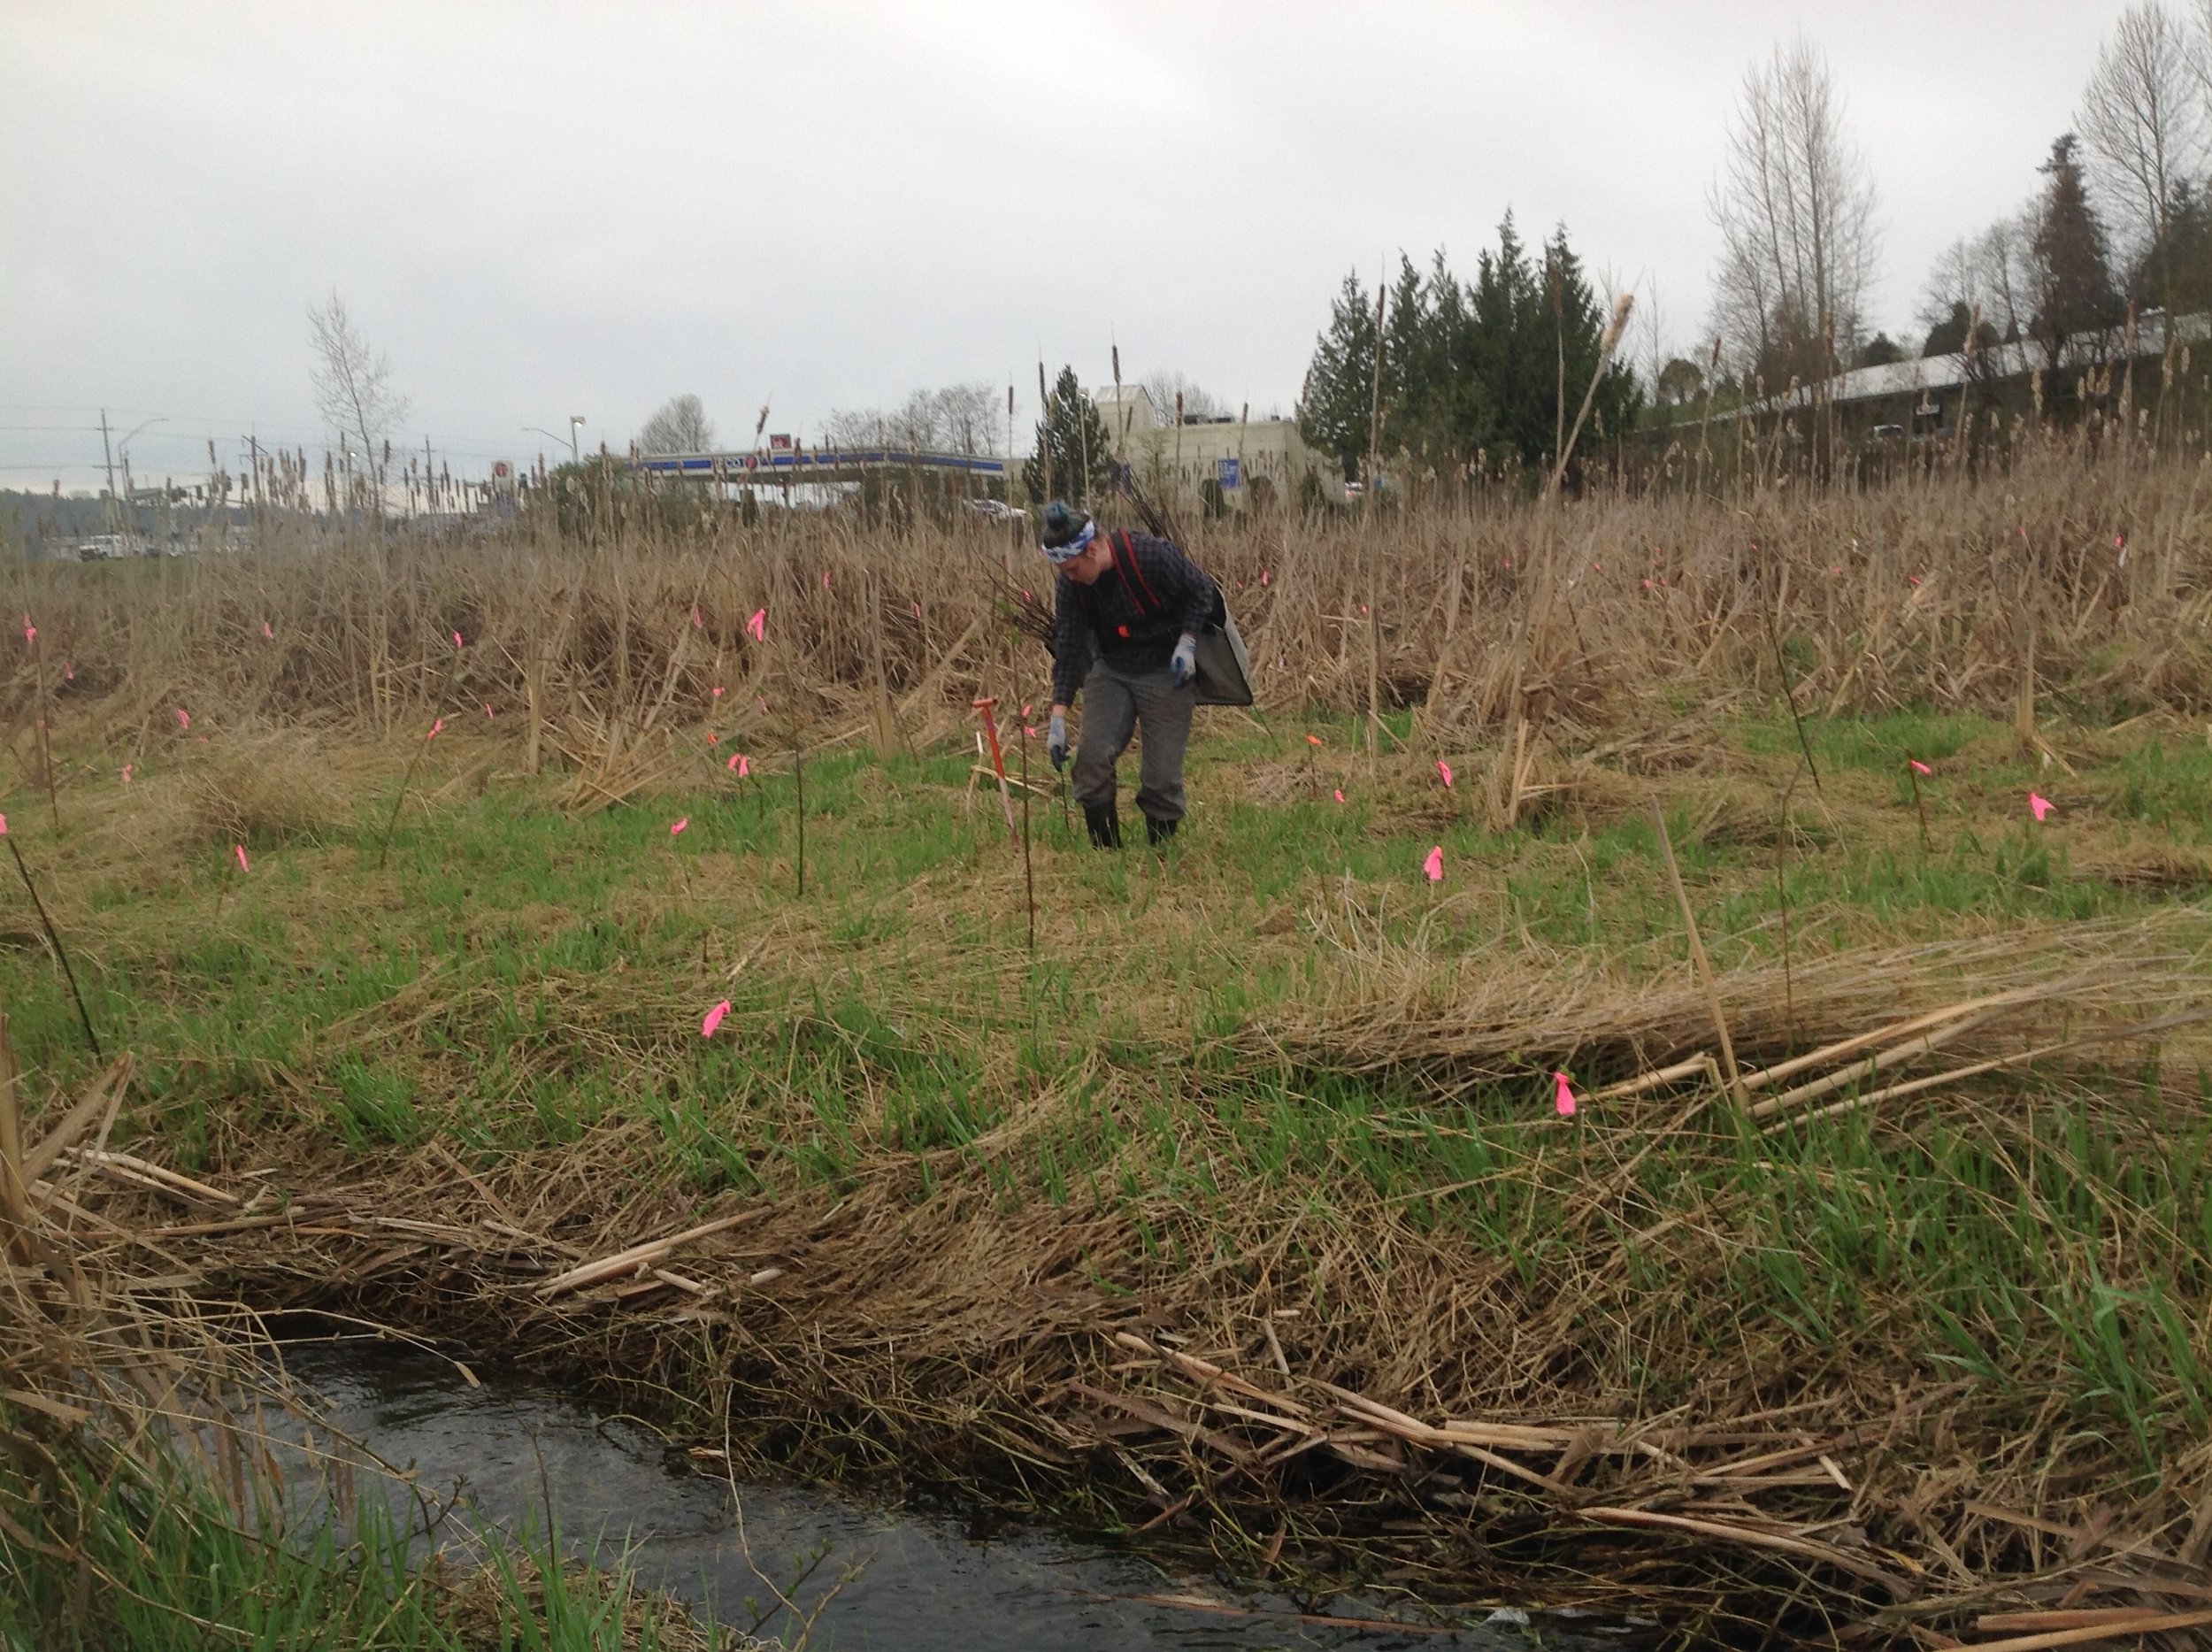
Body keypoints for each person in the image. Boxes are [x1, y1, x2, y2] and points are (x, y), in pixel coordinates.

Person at [1039, 500, 1220, 848]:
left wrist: (1187, 641)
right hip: (1111, 669)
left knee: (1161, 778)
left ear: (1092, 549)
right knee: (1090, 760)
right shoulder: (1071, 585)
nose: (1069, 577)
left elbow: (1201, 590)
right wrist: (1058, 717)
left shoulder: (1150, 556)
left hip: (1166, 670)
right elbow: (1070, 645)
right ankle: (1106, 853)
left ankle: (1160, 854)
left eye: (1073, 569)